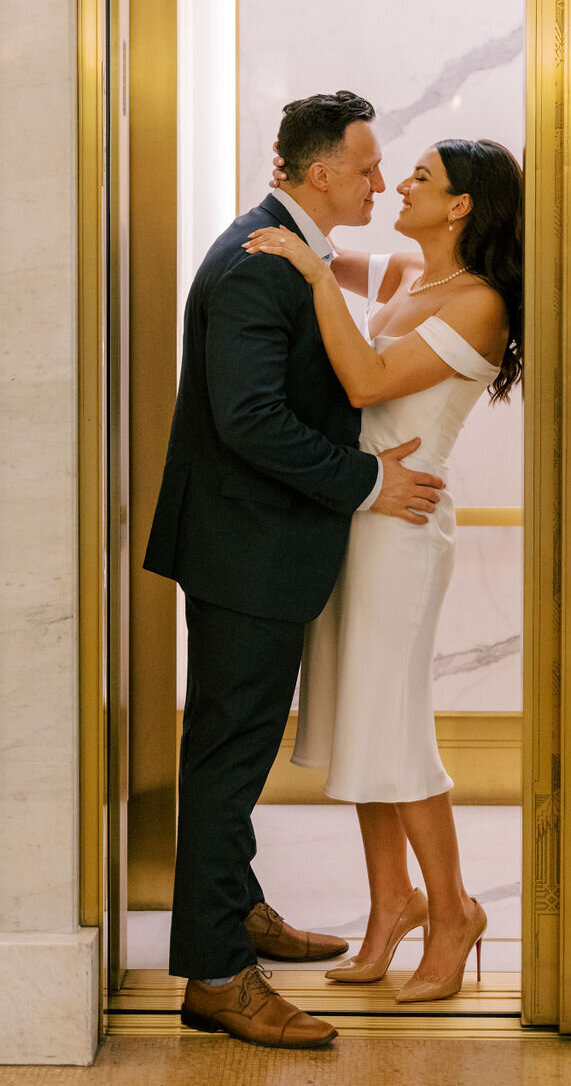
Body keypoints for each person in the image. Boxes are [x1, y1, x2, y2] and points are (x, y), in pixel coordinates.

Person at [142, 90, 446, 1050]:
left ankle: (235, 912)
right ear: (320, 173)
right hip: (246, 549)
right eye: (366, 166)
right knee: (229, 758)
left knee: (235, 751)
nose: (380, 179)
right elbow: (251, 421)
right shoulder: (253, 265)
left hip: (259, 546)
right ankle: (220, 976)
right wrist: (368, 482)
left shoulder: (291, 251)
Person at [245, 137, 523, 1003]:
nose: (399, 183)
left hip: (404, 533)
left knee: (396, 730)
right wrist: (298, 200)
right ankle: (390, 906)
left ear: (463, 205)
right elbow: (325, 249)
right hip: (356, 519)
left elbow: (363, 379)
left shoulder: (479, 304)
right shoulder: (410, 273)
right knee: (366, 728)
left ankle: (453, 915)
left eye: (421, 178)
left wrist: (315, 270)